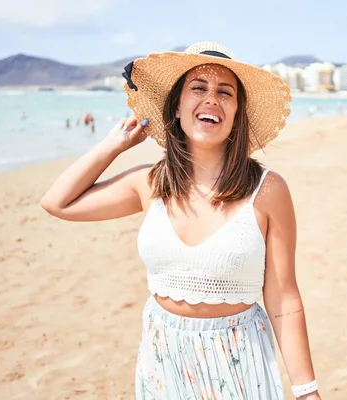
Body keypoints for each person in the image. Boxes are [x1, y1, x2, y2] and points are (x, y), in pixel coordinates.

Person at [40, 42, 320, 399]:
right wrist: (113, 146)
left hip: (239, 359)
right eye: (198, 89)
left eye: (225, 92)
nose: (211, 100)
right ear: (176, 106)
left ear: (237, 113)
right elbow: (57, 202)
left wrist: (306, 390)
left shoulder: (267, 190)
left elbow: (283, 298)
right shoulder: (150, 183)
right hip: (164, 359)